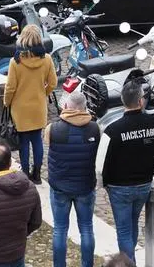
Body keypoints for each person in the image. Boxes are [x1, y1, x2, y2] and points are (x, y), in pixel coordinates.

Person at [102, 78, 154, 263]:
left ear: (123, 101)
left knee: (124, 230)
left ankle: (128, 263)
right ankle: (130, 259)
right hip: (143, 186)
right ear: (141, 101)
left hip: (119, 188)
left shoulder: (112, 130)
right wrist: (149, 169)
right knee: (132, 223)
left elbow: (101, 166)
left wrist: (107, 184)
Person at [45, 91, 100, 267]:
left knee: (60, 230)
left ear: (67, 106)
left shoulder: (52, 129)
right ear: (84, 108)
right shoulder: (95, 129)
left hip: (60, 187)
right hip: (85, 186)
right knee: (86, 228)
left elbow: (49, 145)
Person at [4, 24, 57, 183]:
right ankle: (38, 173)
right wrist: (43, 93)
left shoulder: (16, 62)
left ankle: (25, 174)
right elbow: (53, 83)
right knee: (37, 141)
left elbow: (10, 87)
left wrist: (7, 102)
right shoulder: (47, 59)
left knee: (24, 142)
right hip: (38, 107)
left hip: (20, 109)